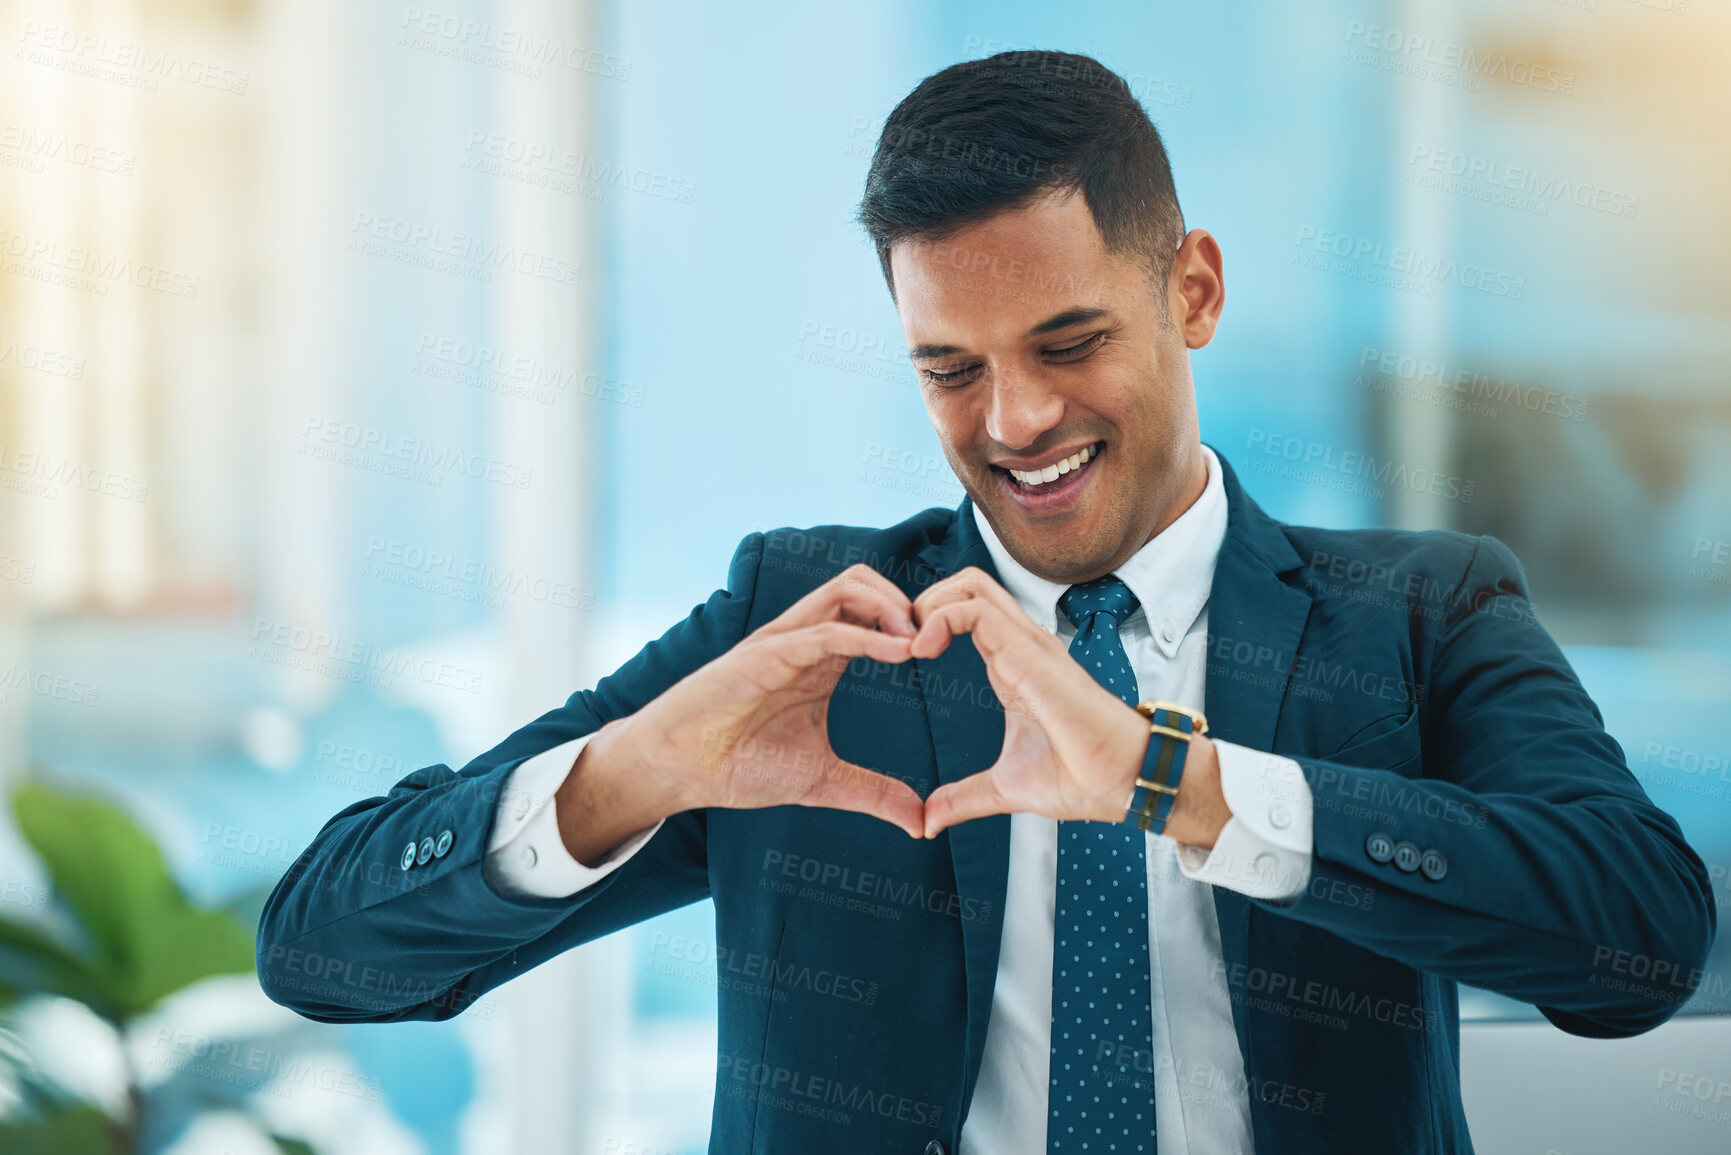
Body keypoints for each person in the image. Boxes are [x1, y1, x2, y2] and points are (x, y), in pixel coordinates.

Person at [256, 50, 1716, 1154]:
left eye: (1069, 340)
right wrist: (635, 771)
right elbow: (323, 950)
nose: (1014, 419)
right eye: (949, 367)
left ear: (1193, 291)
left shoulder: (1418, 613)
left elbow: (1638, 942)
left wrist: (1178, 784)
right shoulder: (808, 623)